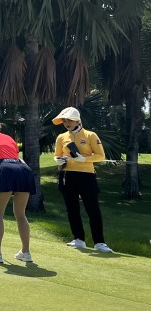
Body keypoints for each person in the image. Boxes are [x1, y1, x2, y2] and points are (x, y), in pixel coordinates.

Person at [52, 106, 112, 252]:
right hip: (68, 175)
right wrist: (58, 160)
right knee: (72, 209)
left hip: (87, 175)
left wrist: (83, 159)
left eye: (70, 120)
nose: (67, 123)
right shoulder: (61, 137)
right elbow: (57, 154)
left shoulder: (90, 135)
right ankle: (79, 239)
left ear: (78, 120)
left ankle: (99, 242)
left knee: (92, 209)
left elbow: (100, 156)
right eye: (64, 120)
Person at [0, 120, 35, 264]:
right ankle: (25, 253)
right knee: (20, 214)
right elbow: (15, 156)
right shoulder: (9, 137)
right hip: (24, 169)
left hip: (5, 168)